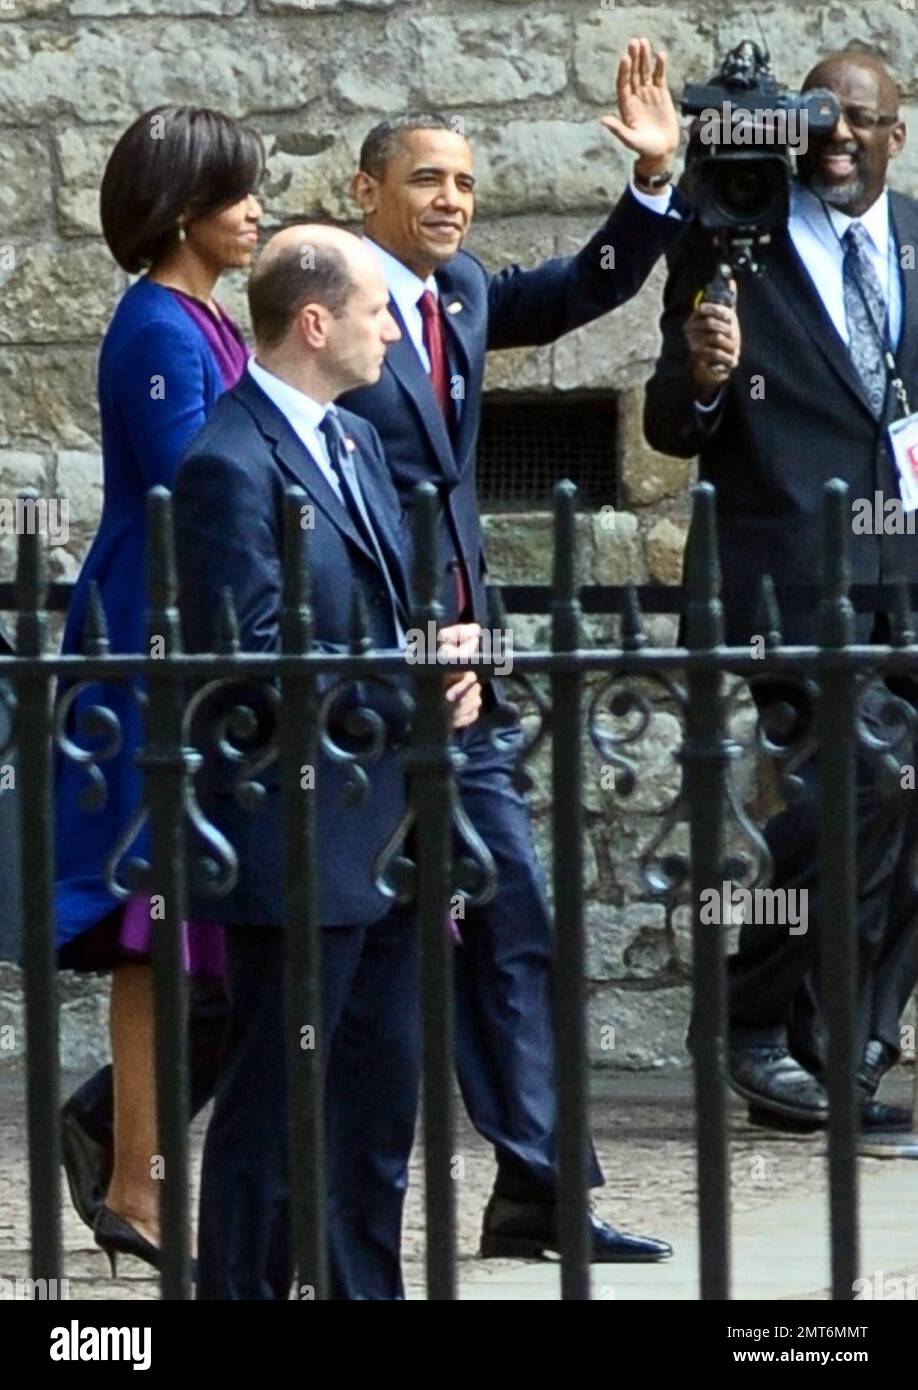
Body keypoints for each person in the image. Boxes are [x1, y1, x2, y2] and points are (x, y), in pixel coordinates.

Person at [174, 223, 482, 1300]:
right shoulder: (226, 460)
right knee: (276, 1105)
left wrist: (443, 667)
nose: (393, 327)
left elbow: (382, 613)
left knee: (376, 1097)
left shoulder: (351, 440)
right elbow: (255, 656)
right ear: (314, 322)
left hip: (386, 825)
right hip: (296, 835)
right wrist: (403, 674)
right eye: (374, 310)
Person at [644, 50, 918, 1132]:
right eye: (821, 120)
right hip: (792, 583)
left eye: (864, 119)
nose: (840, 138)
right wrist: (706, 376)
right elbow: (673, 422)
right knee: (856, 792)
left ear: (897, 130)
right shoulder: (731, 236)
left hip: (909, 563)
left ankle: (851, 1040)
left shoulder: (914, 239)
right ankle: (753, 1022)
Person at [55, 104, 264, 1271]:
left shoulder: (206, 317)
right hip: (151, 646)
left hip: (201, 643)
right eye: (237, 195)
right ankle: (132, 1179)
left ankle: (135, 1158)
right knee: (152, 926)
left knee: (194, 927)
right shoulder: (156, 328)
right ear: (184, 211)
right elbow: (203, 486)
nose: (255, 212)